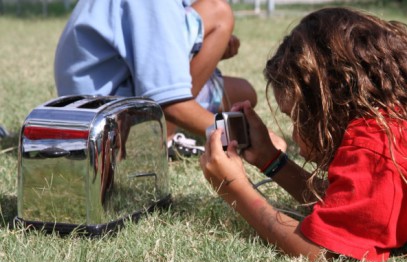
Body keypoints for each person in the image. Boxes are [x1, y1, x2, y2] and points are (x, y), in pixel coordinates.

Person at [200, 7, 407, 262]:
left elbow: (322, 251)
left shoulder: (378, 146)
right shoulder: (403, 118)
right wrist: (270, 160)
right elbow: (352, 207)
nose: (293, 132)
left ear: (328, 108)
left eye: (295, 118)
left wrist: (235, 188)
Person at [54, 0, 257, 159]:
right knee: (218, 12)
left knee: (243, 92)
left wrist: (212, 48)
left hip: (114, 91)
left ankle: (162, 133)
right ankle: (159, 138)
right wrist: (242, 135)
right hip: (107, 120)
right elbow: (170, 104)